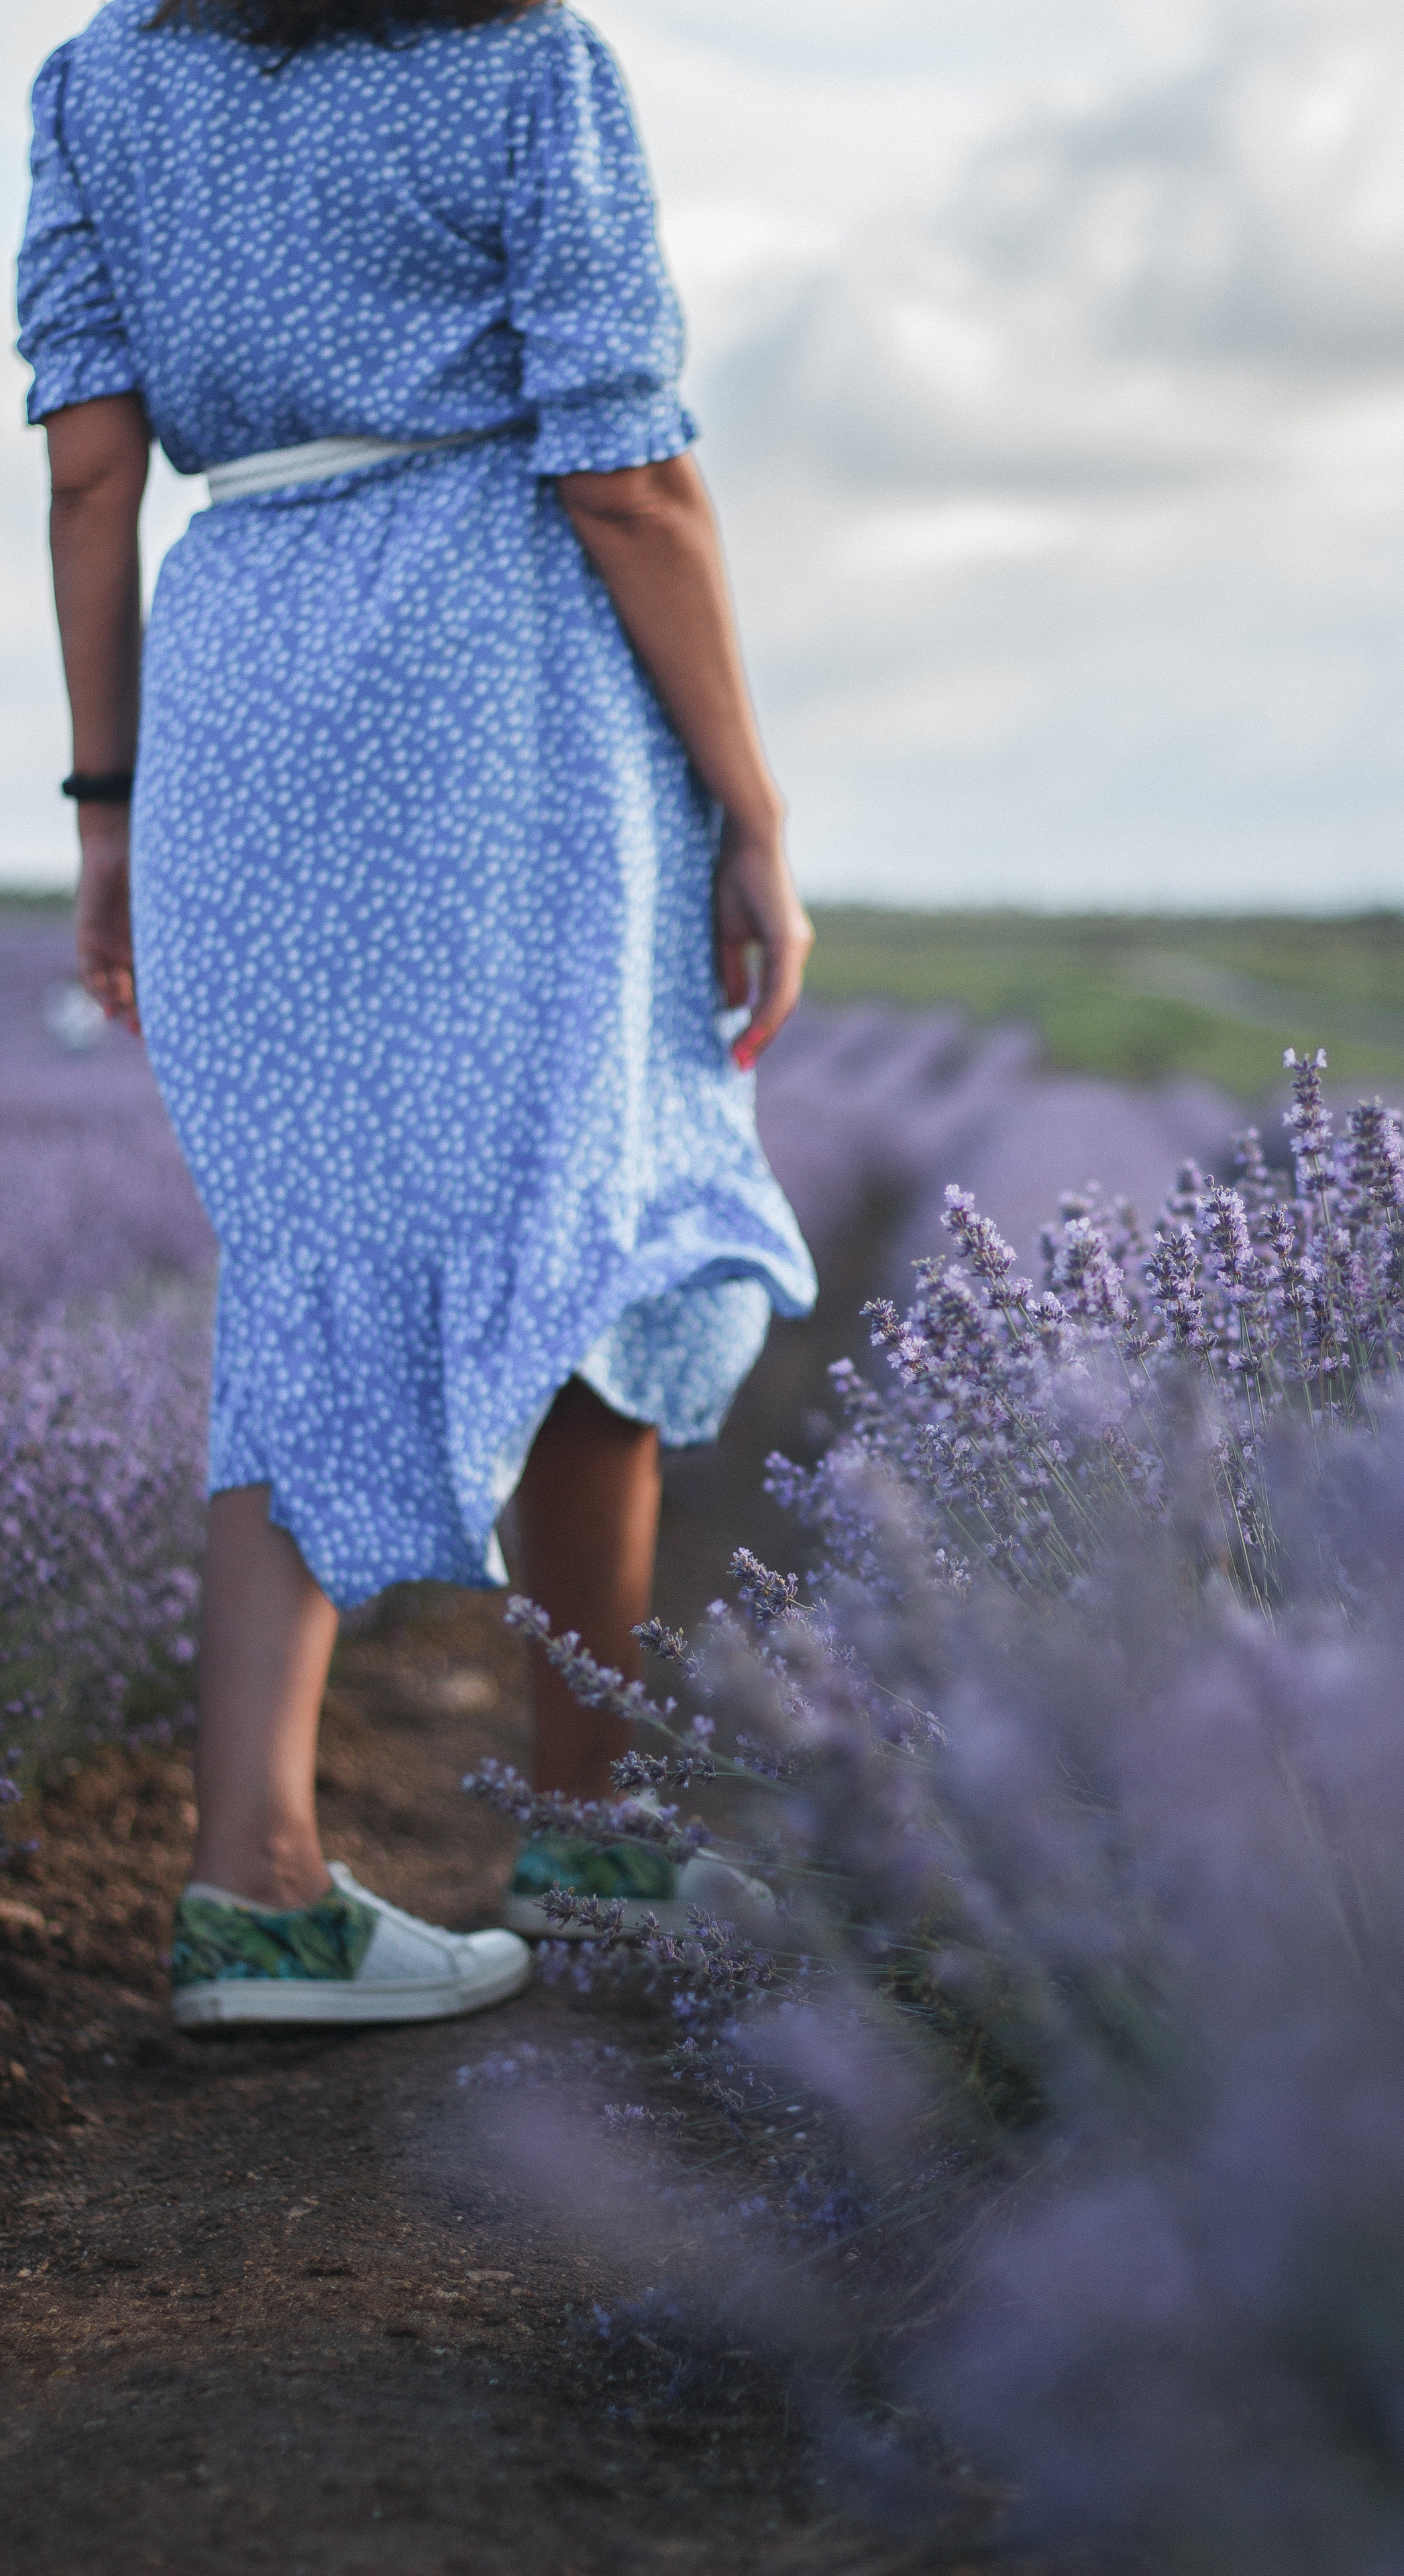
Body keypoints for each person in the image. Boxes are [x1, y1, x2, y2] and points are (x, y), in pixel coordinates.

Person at [16, 0, 817, 2029]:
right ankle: (598, 1837)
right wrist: (751, 800)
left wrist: (110, 811)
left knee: (307, 1253)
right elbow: (629, 476)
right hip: (501, 688)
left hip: (240, 686)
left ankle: (259, 1889)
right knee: (600, 1198)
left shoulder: (101, 80)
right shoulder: (523, 62)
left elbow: (92, 478)